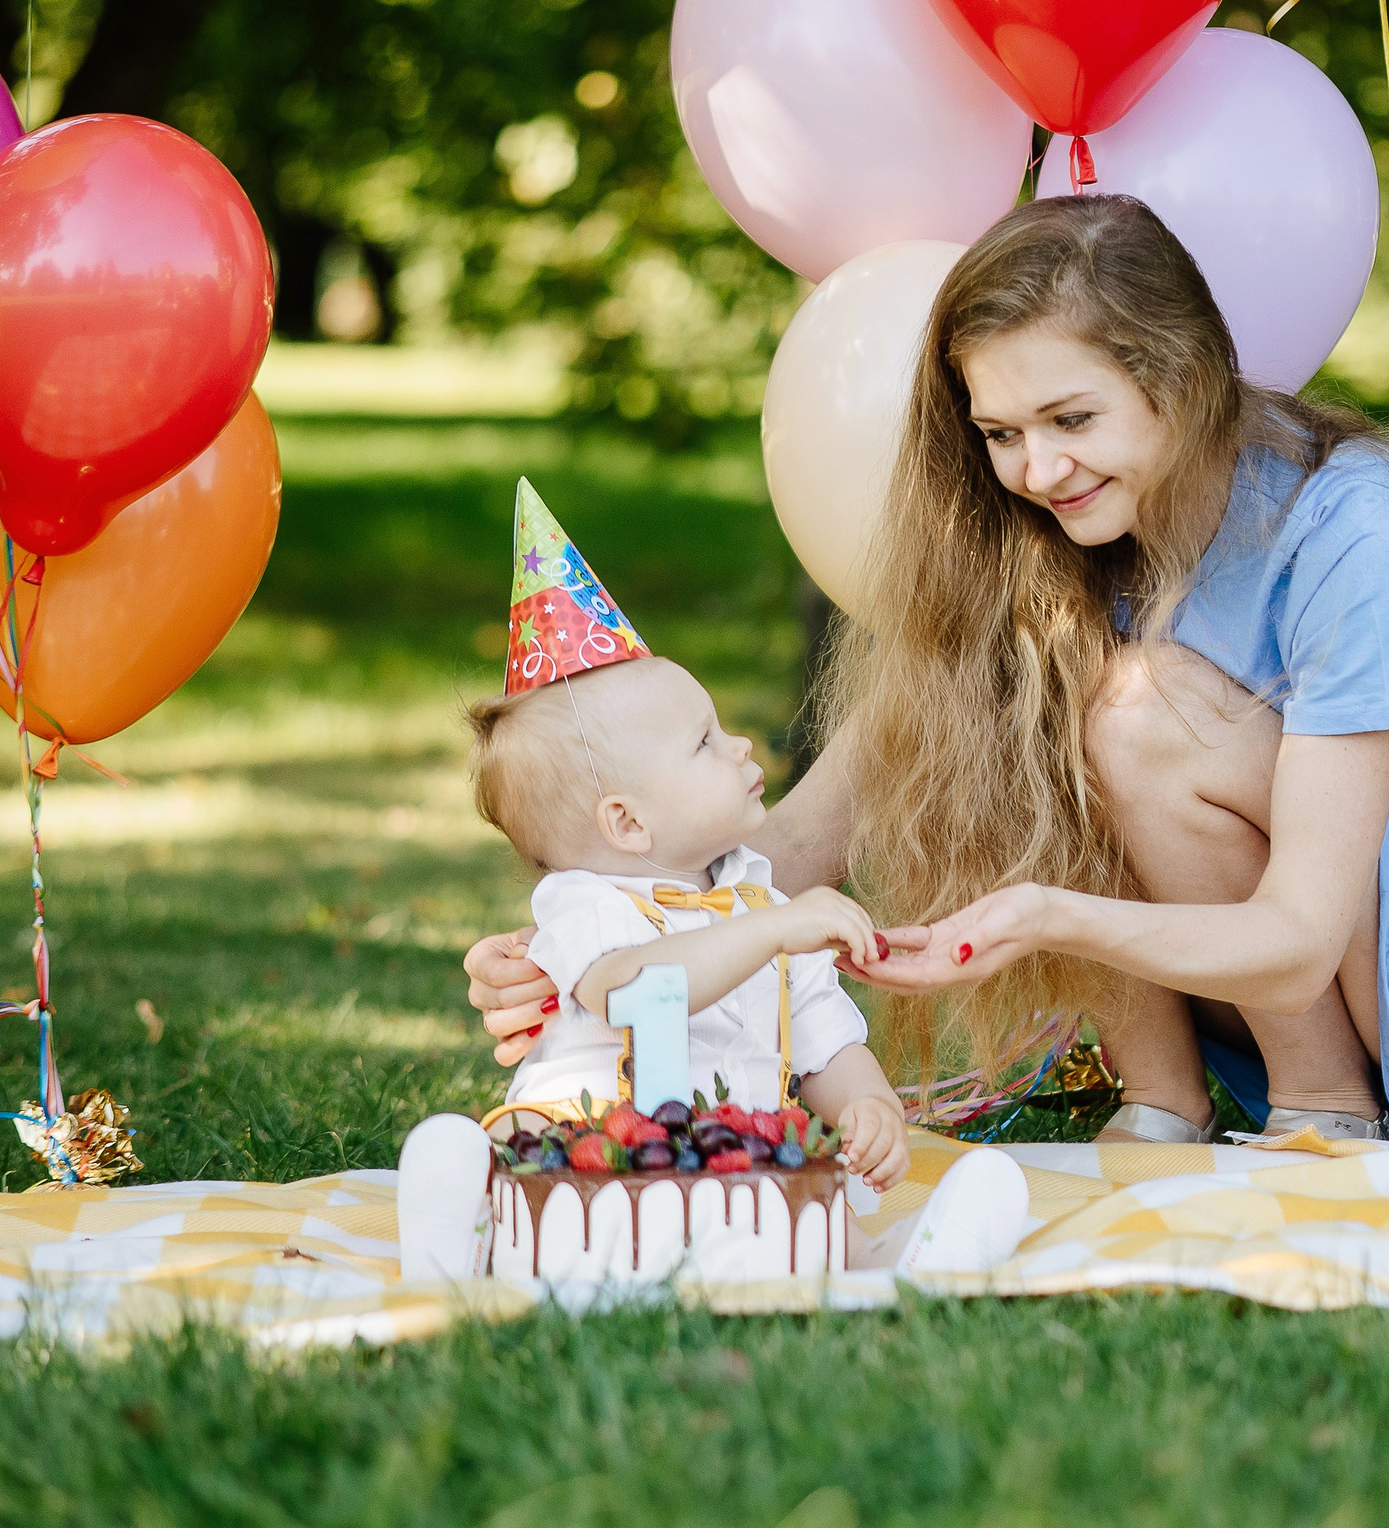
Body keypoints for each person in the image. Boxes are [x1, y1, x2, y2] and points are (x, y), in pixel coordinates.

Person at [464, 195, 1389, 1148]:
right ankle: (1174, 1105)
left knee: (1137, 710)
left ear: (1187, 375)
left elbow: (1302, 930)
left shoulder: (1355, 527)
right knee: (1038, 695)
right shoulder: (1039, 542)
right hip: (1264, 978)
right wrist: (591, 941)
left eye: (1070, 416)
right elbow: (797, 847)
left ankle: (1324, 1115)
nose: (1036, 468)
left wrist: (1058, 911)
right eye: (1000, 431)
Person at [395, 483, 1029, 1284]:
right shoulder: (587, 907)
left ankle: (919, 1261)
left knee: (822, 1221)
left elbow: (826, 1039)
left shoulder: (761, 903)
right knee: (501, 1194)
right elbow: (632, 990)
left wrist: (867, 1105)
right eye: (703, 741)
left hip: (742, 1161)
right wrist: (771, 931)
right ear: (627, 824)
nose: (738, 745)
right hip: (592, 1166)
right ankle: (453, 1248)